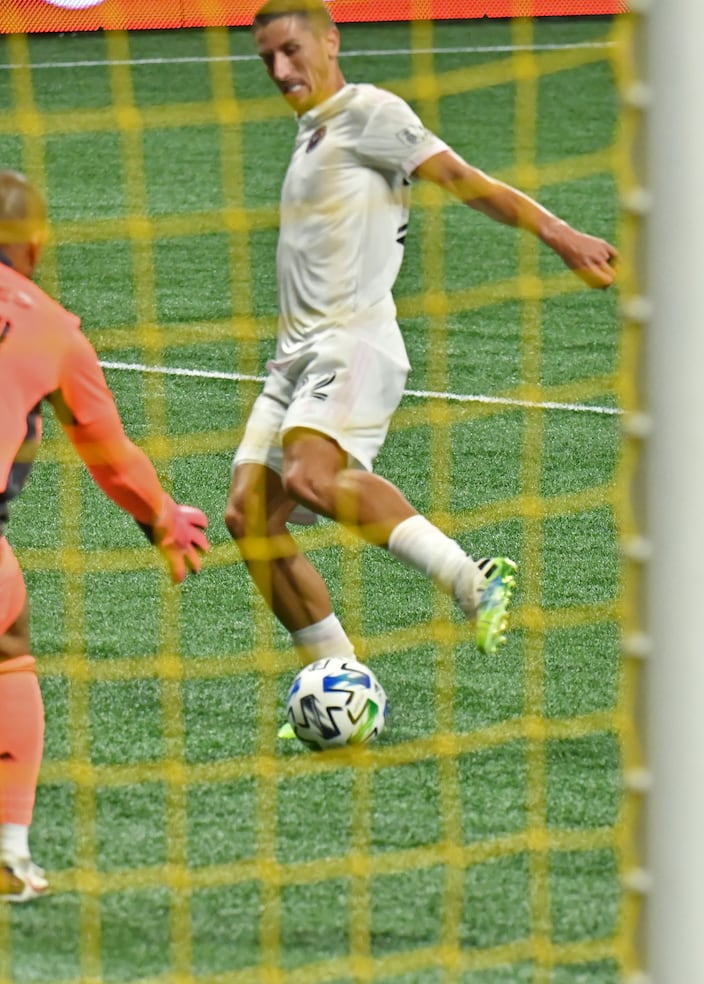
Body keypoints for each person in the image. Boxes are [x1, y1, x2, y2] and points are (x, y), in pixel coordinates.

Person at [226, 0, 618, 668]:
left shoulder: (368, 112)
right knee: (249, 520)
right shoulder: (315, 131)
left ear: (329, 41)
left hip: (351, 344)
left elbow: (463, 179)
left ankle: (472, 578)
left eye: (292, 50)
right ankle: (335, 673)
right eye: (267, 58)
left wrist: (557, 233)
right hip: (293, 358)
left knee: (313, 477)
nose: (280, 68)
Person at [0, 171, 211, 902]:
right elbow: (111, 457)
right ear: (35, 244)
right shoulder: (54, 329)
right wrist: (163, 519)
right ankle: (8, 851)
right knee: (7, 653)